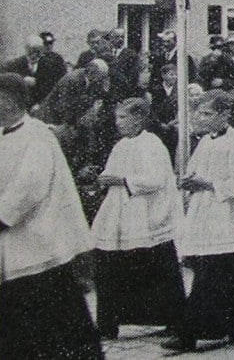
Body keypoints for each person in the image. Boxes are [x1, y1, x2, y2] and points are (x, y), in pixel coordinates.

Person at [0, 73, 102, 359]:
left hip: (39, 244)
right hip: (9, 245)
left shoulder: (37, 134)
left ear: (11, 103)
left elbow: (30, 186)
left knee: (53, 321)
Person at [164, 90, 234, 352]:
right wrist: (189, 182)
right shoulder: (206, 142)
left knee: (212, 272)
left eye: (206, 113)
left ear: (224, 114)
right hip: (209, 213)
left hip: (231, 214)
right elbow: (196, 170)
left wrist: (205, 184)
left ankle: (193, 330)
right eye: (198, 113)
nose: (199, 118)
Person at [91, 97, 185, 339]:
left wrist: (123, 180)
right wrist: (104, 178)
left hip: (146, 214)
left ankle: (172, 319)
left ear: (139, 118)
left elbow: (156, 179)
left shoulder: (152, 144)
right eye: (117, 117)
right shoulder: (121, 145)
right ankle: (108, 323)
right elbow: (111, 172)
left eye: (123, 117)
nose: (118, 123)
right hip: (119, 214)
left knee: (157, 267)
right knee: (110, 266)